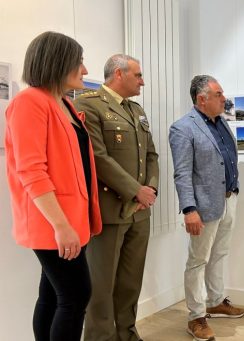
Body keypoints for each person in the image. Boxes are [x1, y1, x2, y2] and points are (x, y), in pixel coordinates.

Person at [4, 31, 102, 341]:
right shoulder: (29, 102)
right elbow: (31, 170)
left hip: (72, 217)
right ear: (58, 62)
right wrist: (61, 224)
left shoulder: (62, 103)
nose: (85, 70)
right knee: (75, 297)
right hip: (54, 221)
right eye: (79, 62)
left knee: (53, 295)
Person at [74, 54, 159, 341]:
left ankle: (127, 334)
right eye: (138, 75)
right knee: (101, 287)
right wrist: (137, 190)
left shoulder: (136, 110)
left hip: (140, 212)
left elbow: (151, 155)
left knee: (130, 283)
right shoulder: (88, 104)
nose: (142, 81)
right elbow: (97, 157)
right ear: (119, 74)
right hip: (109, 212)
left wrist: (151, 189)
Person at [169, 75, 244, 341]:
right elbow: (182, 173)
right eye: (219, 94)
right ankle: (196, 317)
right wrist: (189, 209)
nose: (224, 98)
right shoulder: (182, 128)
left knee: (220, 253)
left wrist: (232, 192)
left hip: (228, 199)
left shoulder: (222, 122)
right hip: (202, 206)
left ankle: (215, 301)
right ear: (202, 99)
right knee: (197, 261)